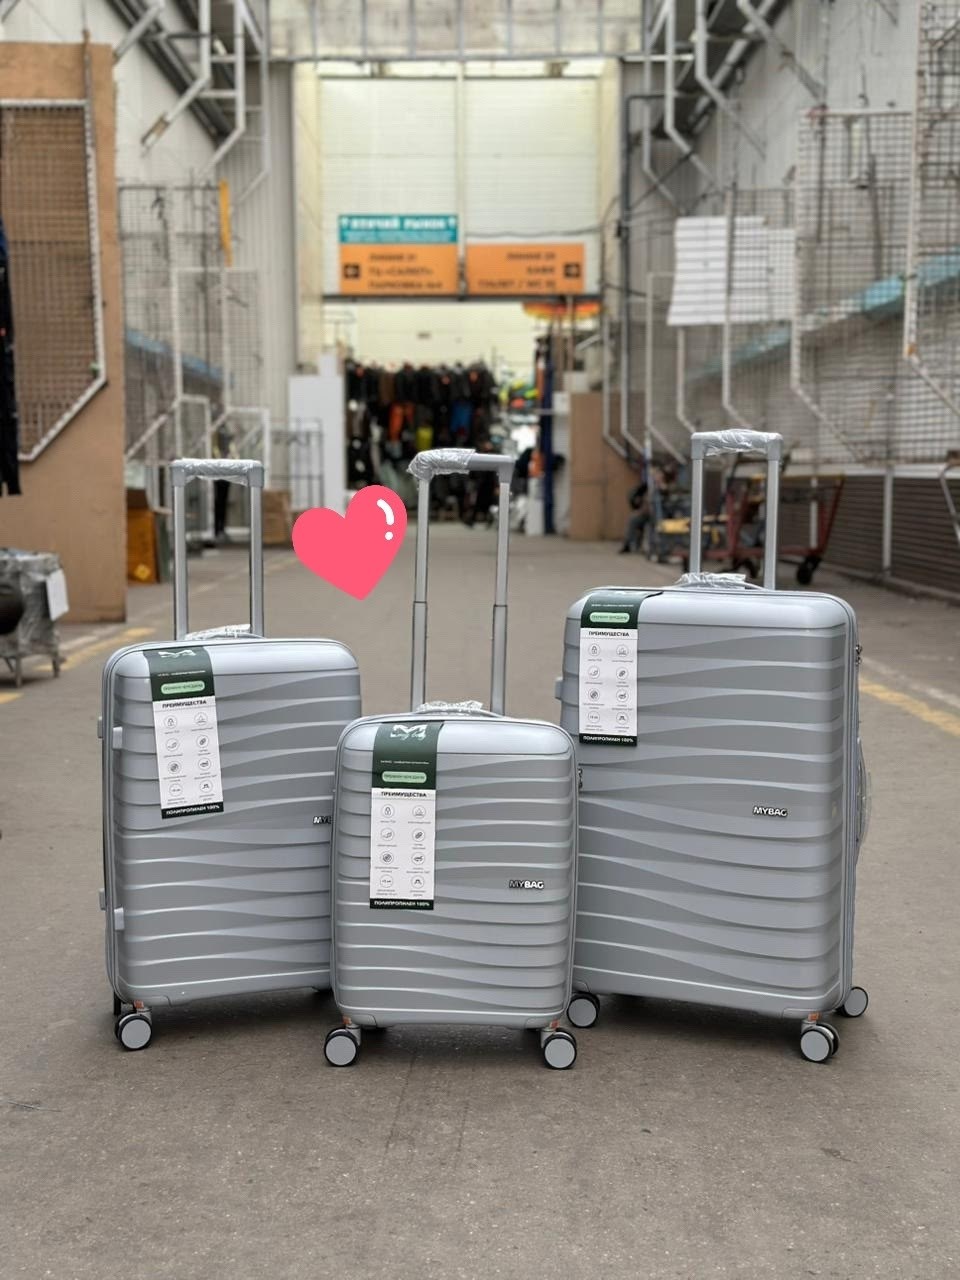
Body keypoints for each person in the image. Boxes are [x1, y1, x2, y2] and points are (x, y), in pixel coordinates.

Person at [619, 474, 650, 554]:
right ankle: (628, 544)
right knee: (633, 519)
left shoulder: (662, 486)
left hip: (656, 515)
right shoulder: (646, 487)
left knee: (634, 518)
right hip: (647, 514)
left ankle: (631, 544)